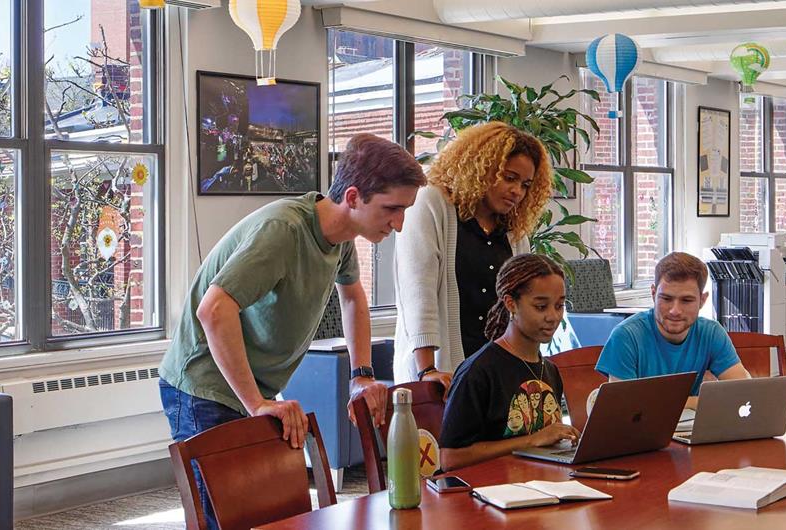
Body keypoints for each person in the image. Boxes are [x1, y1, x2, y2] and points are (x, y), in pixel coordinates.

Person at [158, 134, 424, 527]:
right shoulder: (283, 230)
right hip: (203, 384)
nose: (399, 224)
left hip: (251, 387)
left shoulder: (343, 237)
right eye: (392, 209)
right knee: (227, 518)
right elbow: (213, 310)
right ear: (353, 197)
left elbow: (352, 297)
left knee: (263, 510)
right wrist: (257, 404)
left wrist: (361, 375)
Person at [394, 122, 554, 388]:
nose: (517, 191)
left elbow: (518, 308)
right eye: (509, 177)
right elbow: (417, 293)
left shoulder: (514, 232)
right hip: (439, 373)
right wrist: (427, 370)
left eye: (525, 184)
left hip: (497, 374)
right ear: (481, 168)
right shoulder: (432, 204)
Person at [438, 254, 579, 471]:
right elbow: (450, 458)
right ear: (511, 304)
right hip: (491, 494)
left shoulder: (549, 369)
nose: (553, 316)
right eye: (541, 307)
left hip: (541, 485)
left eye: (559, 306)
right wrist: (530, 441)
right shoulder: (479, 372)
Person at [595, 252, 749, 410]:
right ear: (653, 294)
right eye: (666, 299)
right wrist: (699, 401)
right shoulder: (626, 336)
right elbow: (623, 406)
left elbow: (742, 393)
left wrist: (679, 402)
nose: (675, 310)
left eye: (686, 300)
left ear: (702, 300)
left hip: (692, 430)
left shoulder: (711, 333)